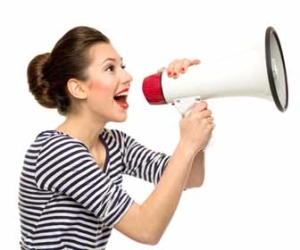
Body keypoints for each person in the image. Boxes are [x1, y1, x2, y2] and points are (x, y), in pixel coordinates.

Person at [19, 26, 214, 250]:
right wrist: (187, 144)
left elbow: (190, 177)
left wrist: (189, 104)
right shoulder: (56, 151)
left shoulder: (114, 144)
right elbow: (146, 229)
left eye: (122, 66)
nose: (127, 76)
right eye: (110, 68)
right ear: (78, 88)